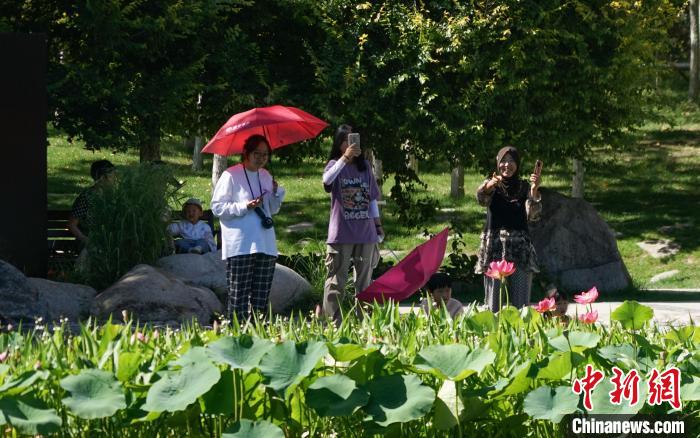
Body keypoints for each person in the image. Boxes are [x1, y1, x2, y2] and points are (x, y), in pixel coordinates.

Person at [211, 135, 285, 322]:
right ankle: (236, 338)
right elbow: (217, 207)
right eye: (257, 153)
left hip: (265, 243)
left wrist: (276, 194)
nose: (261, 158)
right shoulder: (231, 175)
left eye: (265, 154)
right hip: (240, 244)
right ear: (246, 153)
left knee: (260, 299)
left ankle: (258, 338)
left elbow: (272, 210)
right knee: (238, 298)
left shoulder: (266, 176)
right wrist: (244, 206)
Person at [322, 124, 383, 322]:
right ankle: (334, 324)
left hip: (365, 234)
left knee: (364, 283)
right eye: (347, 140)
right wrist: (345, 158)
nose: (351, 144)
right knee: (336, 281)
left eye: (353, 139)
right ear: (340, 144)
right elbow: (327, 181)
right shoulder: (334, 164)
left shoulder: (364, 166)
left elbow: (372, 199)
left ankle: (365, 323)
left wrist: (378, 225)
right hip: (341, 233)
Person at [475, 146, 542, 312]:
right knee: (493, 306)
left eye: (511, 161)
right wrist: (490, 185)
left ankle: (520, 336)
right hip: (494, 249)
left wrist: (534, 190)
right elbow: (481, 199)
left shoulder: (525, 187)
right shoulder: (491, 186)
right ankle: (493, 336)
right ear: (498, 164)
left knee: (521, 307)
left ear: (517, 164)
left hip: (520, 250)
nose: (507, 165)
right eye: (503, 161)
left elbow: (533, 215)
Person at [68, 160, 116, 245]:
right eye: (112, 176)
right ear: (102, 178)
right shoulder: (86, 197)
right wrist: (86, 241)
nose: (115, 179)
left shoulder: (115, 196)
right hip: (91, 245)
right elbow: (72, 225)